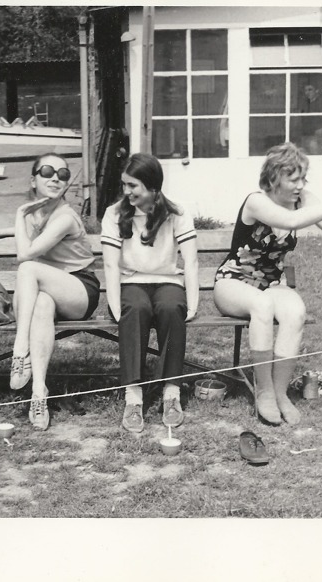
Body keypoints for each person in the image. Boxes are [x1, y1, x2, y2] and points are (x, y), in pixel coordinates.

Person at [213, 142, 322, 426]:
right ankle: (265, 392)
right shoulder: (256, 201)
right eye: (293, 179)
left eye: (303, 179)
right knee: (262, 305)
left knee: (295, 312)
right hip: (233, 282)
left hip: (270, 284)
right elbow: (291, 220)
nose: (300, 186)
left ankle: (280, 393)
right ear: (274, 177)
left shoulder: (304, 199)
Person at [0, 153, 100, 431]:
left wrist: (18, 214)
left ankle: (20, 348)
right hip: (48, 290)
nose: (55, 178)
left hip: (78, 290)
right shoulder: (36, 212)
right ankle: (39, 393)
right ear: (33, 180)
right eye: (48, 172)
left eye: (62, 174)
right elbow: (34, 229)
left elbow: (25, 254)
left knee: (27, 268)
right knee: (41, 305)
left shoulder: (65, 217)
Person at [101, 153, 199, 433]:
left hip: (167, 281)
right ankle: (133, 397)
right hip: (131, 282)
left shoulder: (177, 212)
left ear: (153, 186)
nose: (126, 191)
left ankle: (171, 393)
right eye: (124, 184)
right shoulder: (114, 213)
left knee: (171, 307)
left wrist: (192, 302)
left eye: (133, 185)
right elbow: (110, 263)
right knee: (136, 308)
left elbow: (190, 260)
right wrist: (115, 305)